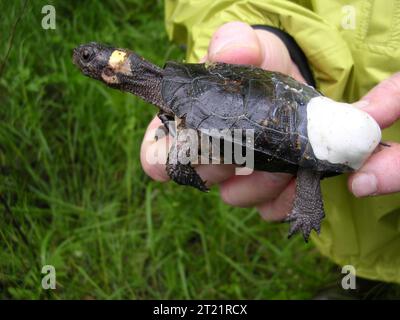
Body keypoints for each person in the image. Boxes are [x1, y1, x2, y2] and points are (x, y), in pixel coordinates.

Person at [140, 0, 400, 295]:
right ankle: (363, 278)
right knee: (352, 232)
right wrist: (282, 43)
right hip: (310, 119)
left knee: (308, 181)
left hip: (308, 136)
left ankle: (363, 274)